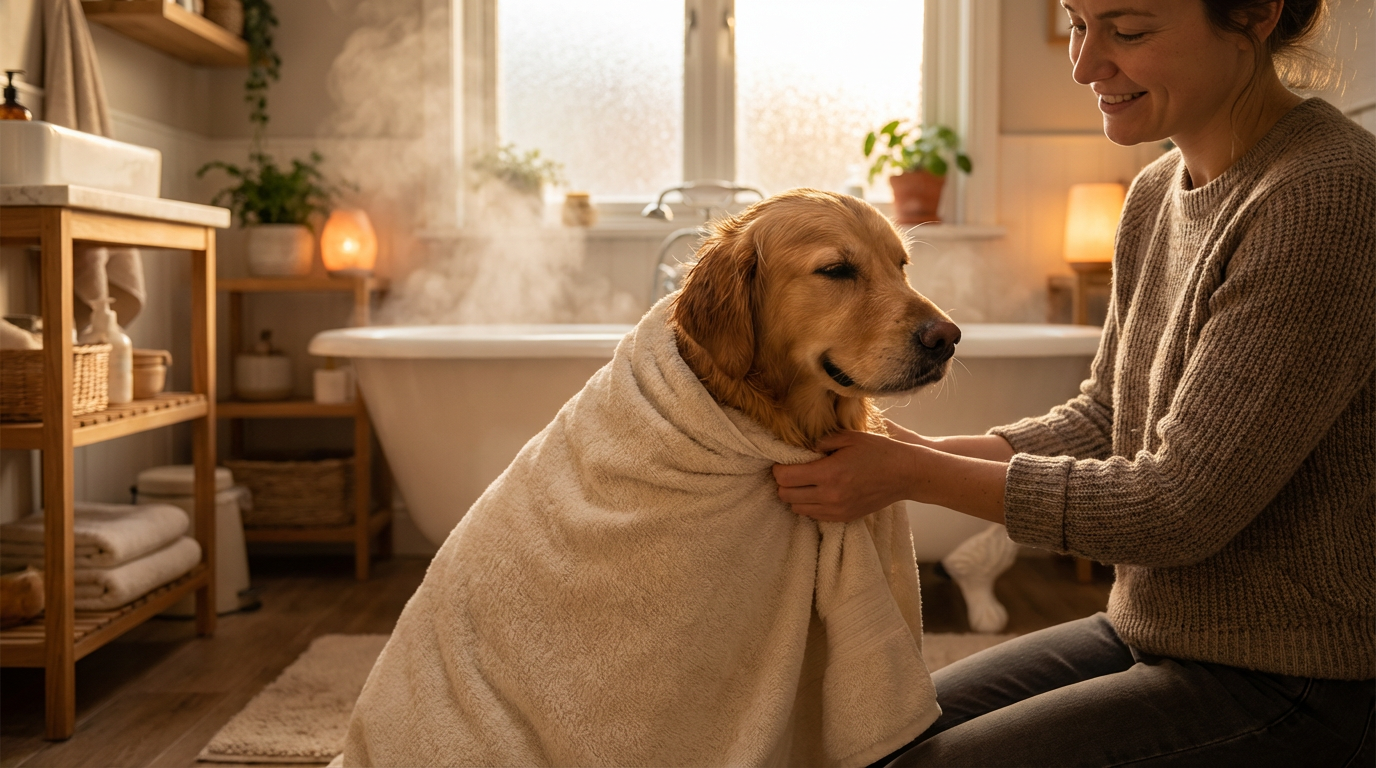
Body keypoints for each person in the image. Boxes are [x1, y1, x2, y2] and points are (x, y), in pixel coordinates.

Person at [772, 0, 1375, 764]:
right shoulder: (1157, 192)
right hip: (1151, 630)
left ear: (1255, 13)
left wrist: (911, 473)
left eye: (1128, 31)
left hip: (1299, 682)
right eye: (1078, 23)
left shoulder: (1327, 195)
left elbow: (1179, 507)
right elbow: (1106, 417)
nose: (1086, 64)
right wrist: (921, 449)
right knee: (866, 738)